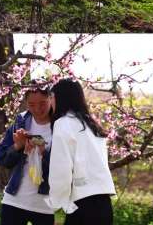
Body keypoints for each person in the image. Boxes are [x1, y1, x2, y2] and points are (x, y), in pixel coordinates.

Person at [47, 79, 116, 225]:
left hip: (82, 206)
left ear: (60, 98)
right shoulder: (92, 125)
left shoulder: (63, 123)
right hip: (104, 204)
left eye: (51, 97)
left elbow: (61, 172)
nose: (50, 102)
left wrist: (58, 209)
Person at [0, 86, 55, 225]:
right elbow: (2, 159)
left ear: (51, 99)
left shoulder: (60, 125)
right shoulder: (20, 122)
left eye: (42, 103)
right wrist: (18, 146)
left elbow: (62, 167)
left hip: (45, 204)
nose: (37, 109)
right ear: (26, 103)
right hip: (14, 200)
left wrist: (43, 152)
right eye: (32, 105)